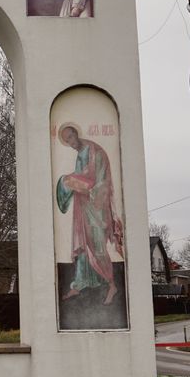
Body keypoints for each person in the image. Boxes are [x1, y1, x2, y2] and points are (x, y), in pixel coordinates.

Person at [55, 123, 123, 305]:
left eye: (70, 137)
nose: (70, 142)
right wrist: (71, 181)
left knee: (97, 245)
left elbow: (99, 180)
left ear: (76, 133)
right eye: (66, 140)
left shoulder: (95, 151)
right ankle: (79, 284)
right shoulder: (80, 154)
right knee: (84, 246)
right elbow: (82, 176)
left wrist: (74, 182)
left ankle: (111, 284)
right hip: (84, 206)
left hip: (97, 207)